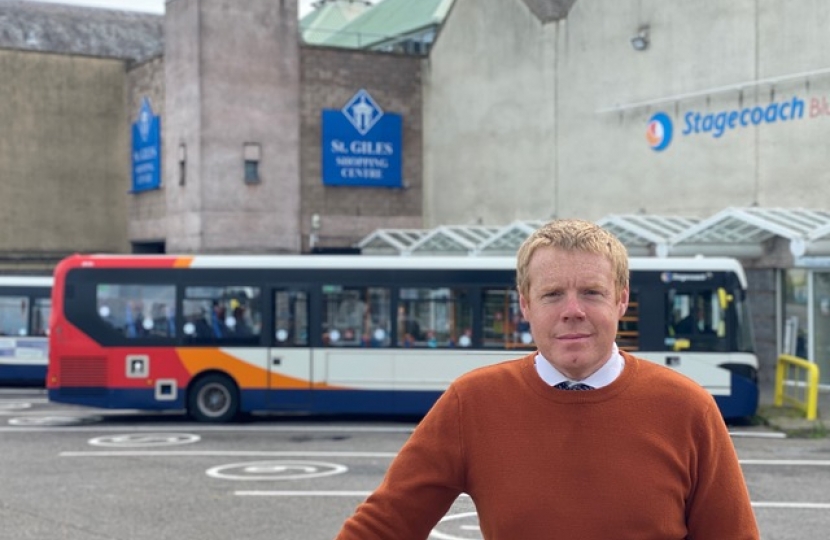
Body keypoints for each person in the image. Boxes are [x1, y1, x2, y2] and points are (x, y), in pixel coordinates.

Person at [334, 218, 759, 540]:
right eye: (552, 294)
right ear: (525, 305)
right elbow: (382, 527)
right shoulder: (473, 403)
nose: (572, 310)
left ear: (622, 300)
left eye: (591, 292)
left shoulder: (687, 407)